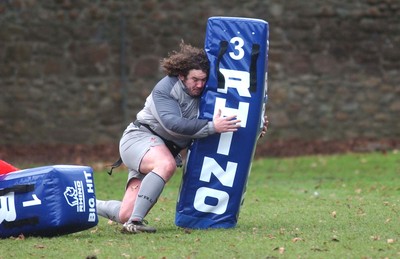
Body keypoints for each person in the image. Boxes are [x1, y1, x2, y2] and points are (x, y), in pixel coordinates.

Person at [96, 42, 269, 234]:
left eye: (204, 80)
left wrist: (254, 128)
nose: (200, 85)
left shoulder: (208, 94)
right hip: (139, 140)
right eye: (195, 79)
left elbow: (225, 124)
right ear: (181, 76)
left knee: (124, 213)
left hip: (160, 151)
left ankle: (89, 204)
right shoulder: (165, 88)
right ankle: (135, 223)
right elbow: (173, 124)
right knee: (166, 165)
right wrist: (212, 126)